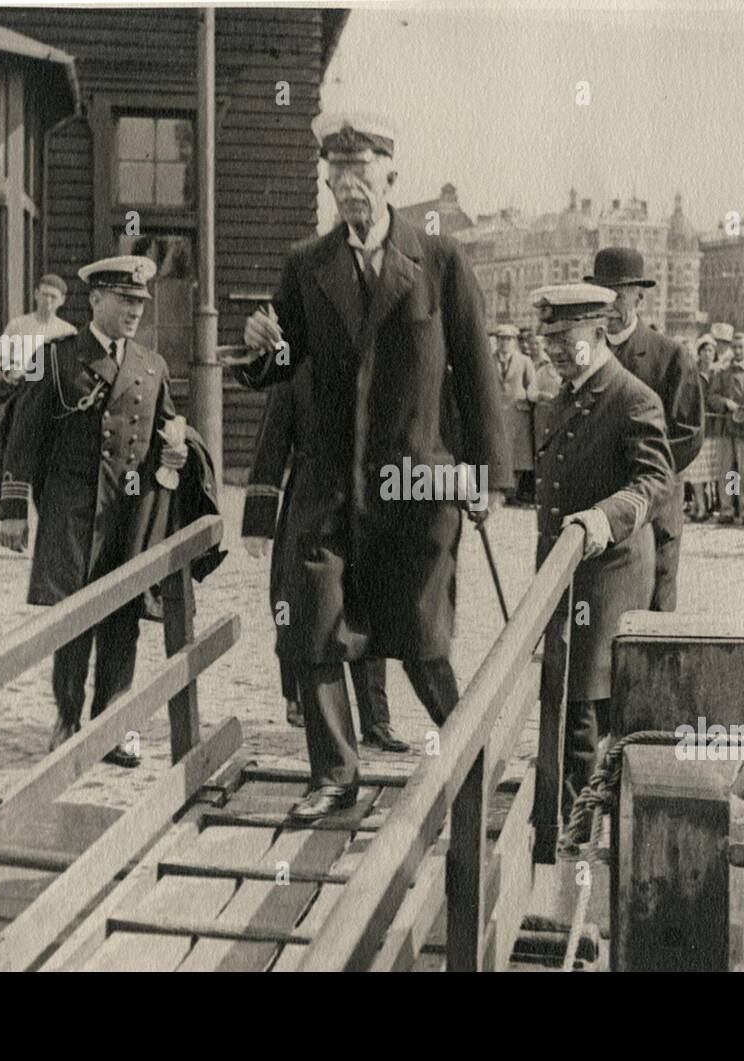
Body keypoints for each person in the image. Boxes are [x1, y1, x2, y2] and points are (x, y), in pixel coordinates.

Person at [223, 112, 509, 821]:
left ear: (391, 178)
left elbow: (477, 375)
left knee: (422, 637)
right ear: (327, 183)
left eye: (363, 174)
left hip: (417, 485)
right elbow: (280, 365)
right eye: (337, 177)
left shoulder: (441, 262)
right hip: (327, 486)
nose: (350, 188)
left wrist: (488, 476)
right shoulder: (306, 264)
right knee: (315, 629)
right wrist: (259, 347)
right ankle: (334, 776)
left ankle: (477, 754)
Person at [0, 255, 189, 768]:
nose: (134, 312)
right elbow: (23, 438)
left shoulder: (152, 365)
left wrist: (177, 449)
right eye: (125, 301)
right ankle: (67, 715)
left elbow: (169, 429)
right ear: (96, 300)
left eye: (140, 304)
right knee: (74, 617)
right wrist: (13, 508)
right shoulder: (57, 358)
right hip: (72, 510)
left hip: (128, 512)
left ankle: (114, 722)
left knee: (123, 616)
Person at [529, 283, 673, 834]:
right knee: (562, 691)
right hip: (563, 570)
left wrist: (602, 518)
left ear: (599, 331)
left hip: (607, 572)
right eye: (549, 341)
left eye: (565, 340)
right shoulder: (567, 392)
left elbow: (655, 481)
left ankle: (577, 833)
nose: (555, 352)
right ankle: (558, 816)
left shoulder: (632, 396)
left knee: (585, 701)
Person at [242, 366, 410, 752]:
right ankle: (301, 699)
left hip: (367, 506)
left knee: (367, 607)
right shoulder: (296, 369)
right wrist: (258, 522)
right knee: (300, 605)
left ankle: (377, 719)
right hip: (309, 506)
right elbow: (271, 444)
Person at [588, 246, 703, 610]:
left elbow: (689, 433)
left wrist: (642, 472)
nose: (609, 306)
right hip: (599, 505)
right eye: (602, 296)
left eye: (618, 296)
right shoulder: (588, 355)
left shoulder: (670, 356)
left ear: (640, 296)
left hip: (653, 506)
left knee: (654, 607)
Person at [0, 275, 78, 481]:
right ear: (36, 294)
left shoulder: (67, 331)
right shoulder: (17, 325)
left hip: (51, 394)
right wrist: (9, 371)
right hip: (20, 390)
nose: (48, 301)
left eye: (53, 296)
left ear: (62, 300)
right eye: (45, 294)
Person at [707, 322, 744, 524]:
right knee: (728, 470)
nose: (737, 351)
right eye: (734, 347)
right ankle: (727, 509)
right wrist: (725, 403)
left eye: (741, 347)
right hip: (726, 428)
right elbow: (712, 397)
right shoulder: (723, 373)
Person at [492, 323, 539, 504]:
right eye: (501, 339)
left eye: (508, 339)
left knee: (518, 455)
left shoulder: (524, 361)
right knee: (498, 450)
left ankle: (513, 492)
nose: (504, 342)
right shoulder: (489, 359)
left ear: (514, 341)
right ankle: (500, 491)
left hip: (518, 412)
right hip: (497, 412)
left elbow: (532, 385)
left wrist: (532, 397)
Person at [680, 334, 719, 521]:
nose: (707, 354)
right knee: (697, 471)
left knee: (717, 472)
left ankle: (716, 506)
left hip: (716, 429)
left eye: (711, 350)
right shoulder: (692, 372)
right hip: (698, 427)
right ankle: (700, 506)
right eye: (704, 350)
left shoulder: (719, 373)